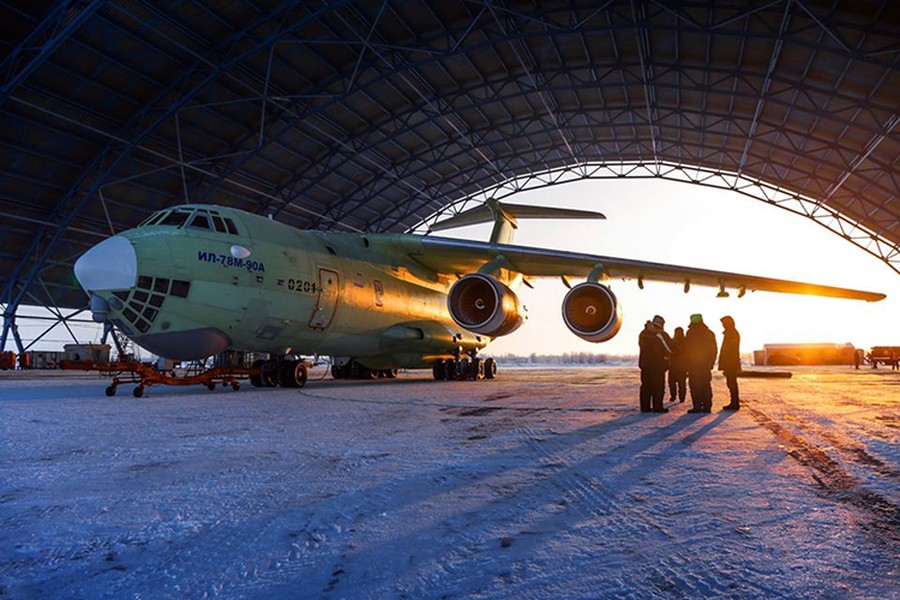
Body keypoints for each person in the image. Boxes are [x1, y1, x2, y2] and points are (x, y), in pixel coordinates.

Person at [684, 313, 717, 413]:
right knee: (706, 385)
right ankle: (707, 406)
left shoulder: (690, 333)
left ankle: (697, 406)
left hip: (693, 364)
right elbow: (714, 350)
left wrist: (686, 364)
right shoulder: (709, 333)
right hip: (705, 365)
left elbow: (686, 350)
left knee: (695, 386)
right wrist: (711, 362)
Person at [638, 315, 672, 413]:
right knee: (658, 387)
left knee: (646, 386)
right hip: (658, 365)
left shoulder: (643, 334)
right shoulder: (660, 334)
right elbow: (669, 349)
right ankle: (658, 407)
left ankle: (645, 407)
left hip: (645, 365)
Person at [718, 316, 741, 410]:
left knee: (732, 383)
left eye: (724, 323)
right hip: (730, 363)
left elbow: (729, 351)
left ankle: (735, 403)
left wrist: (726, 364)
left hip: (731, 363)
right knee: (731, 383)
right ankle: (734, 402)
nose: (723, 325)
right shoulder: (730, 333)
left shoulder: (732, 333)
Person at [668, 327, 687, 402]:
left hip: (673, 366)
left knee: (672, 383)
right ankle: (682, 398)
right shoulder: (686, 342)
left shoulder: (672, 341)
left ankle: (673, 396)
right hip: (682, 366)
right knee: (682, 384)